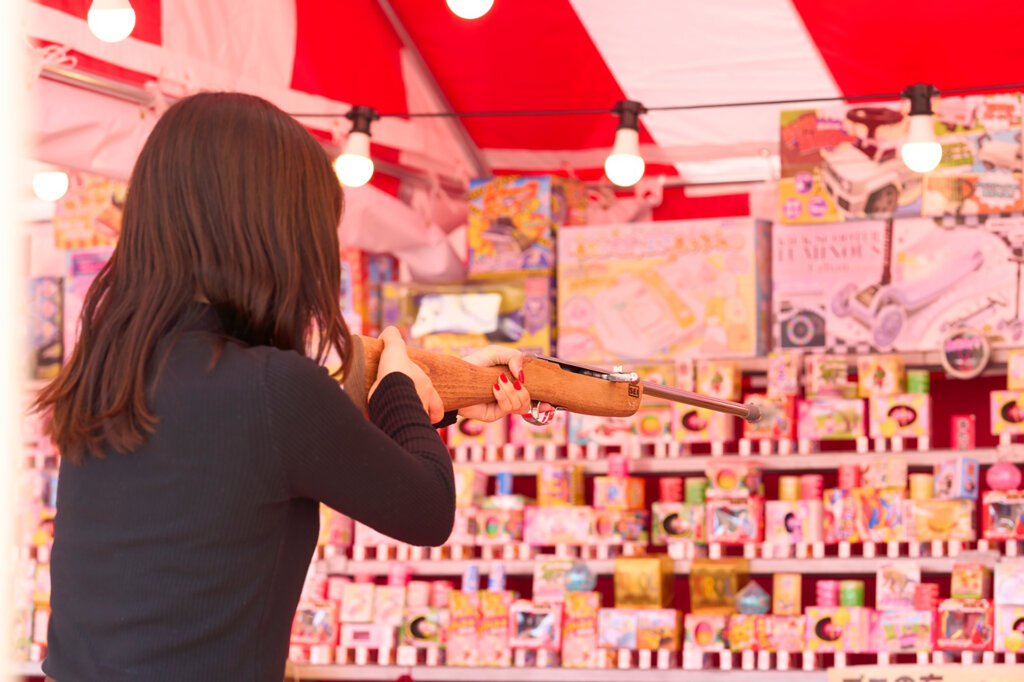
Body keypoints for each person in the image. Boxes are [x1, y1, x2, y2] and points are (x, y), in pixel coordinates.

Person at [34, 91, 537, 682]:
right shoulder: (272, 389)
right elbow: (427, 510)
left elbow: (298, 447)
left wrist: (436, 394)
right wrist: (401, 389)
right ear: (278, 234)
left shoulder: (109, 372)